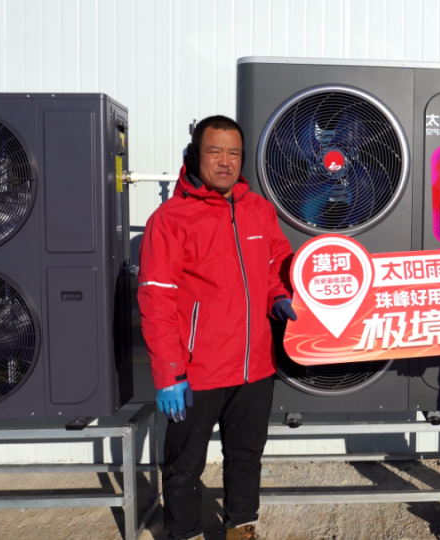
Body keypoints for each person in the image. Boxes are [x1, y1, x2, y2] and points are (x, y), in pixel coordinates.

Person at [137, 115, 296, 540]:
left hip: (255, 367)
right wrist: (170, 374)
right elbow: (156, 299)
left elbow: (275, 265)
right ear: (194, 155)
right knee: (184, 463)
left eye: (233, 153)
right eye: (214, 151)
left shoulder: (259, 210)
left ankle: (241, 526)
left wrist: (279, 297)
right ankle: (184, 532)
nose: (224, 161)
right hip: (197, 371)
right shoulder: (170, 219)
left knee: (246, 456)